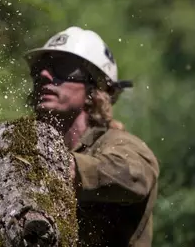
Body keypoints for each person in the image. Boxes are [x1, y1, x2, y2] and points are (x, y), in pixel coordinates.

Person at [24, 26, 159, 247]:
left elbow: (136, 177)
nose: (44, 75)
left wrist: (66, 168)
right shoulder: (31, 145)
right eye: (40, 67)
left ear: (93, 89)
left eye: (62, 67)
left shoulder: (119, 143)